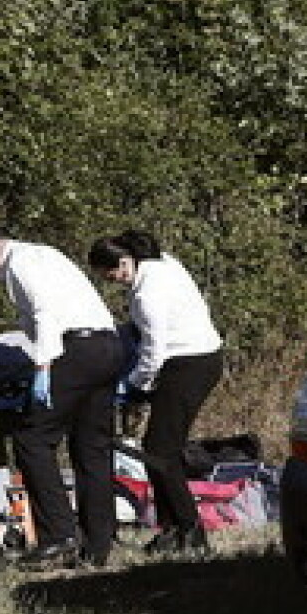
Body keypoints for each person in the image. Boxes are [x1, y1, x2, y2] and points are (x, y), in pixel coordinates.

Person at [0, 226, 125, 569]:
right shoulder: (42, 254)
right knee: (91, 448)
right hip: (107, 346)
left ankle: (58, 535)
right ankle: (98, 543)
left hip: (77, 349)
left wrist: (43, 366)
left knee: (32, 439)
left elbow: (44, 314)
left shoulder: (21, 263)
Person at [88, 230, 224, 554]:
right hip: (193, 359)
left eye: (109, 274)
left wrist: (135, 384)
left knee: (160, 450)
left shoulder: (148, 291)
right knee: (161, 448)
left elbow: (154, 350)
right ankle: (171, 528)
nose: (110, 280)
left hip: (190, 363)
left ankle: (191, 530)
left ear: (123, 263)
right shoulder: (163, 264)